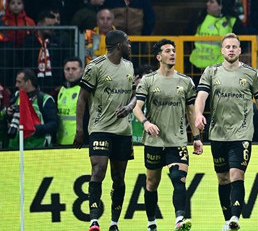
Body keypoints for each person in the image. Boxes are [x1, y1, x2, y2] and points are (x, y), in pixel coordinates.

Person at [194, 33, 258, 231]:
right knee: (222, 178)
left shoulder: (251, 74)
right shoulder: (211, 72)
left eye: (234, 47)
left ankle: (235, 217)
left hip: (242, 134)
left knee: (236, 174)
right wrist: (198, 114)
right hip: (218, 133)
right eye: (227, 47)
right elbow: (201, 96)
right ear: (222, 50)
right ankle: (228, 221)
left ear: (240, 50)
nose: (231, 50)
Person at [133, 39, 201, 231]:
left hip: (177, 141)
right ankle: (151, 223)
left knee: (179, 179)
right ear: (158, 57)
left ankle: (180, 220)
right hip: (154, 142)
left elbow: (191, 111)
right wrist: (146, 123)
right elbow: (136, 108)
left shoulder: (186, 81)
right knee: (151, 183)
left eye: (173, 50)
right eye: (167, 51)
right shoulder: (148, 81)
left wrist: (197, 138)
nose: (172, 54)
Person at [73, 30, 136, 231]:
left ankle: (114, 223)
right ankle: (94, 221)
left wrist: (129, 107)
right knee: (98, 169)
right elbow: (82, 98)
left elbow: (135, 94)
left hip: (123, 130)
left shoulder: (129, 66)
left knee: (118, 178)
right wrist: (80, 129)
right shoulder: (95, 66)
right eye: (128, 42)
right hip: (100, 127)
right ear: (119, 45)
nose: (130, 45)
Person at [5, 68, 58, 148]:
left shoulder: (45, 99)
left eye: (19, 82)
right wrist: (8, 114)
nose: (16, 85)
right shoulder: (17, 96)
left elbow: (53, 125)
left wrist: (34, 129)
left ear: (28, 82)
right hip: (15, 147)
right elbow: (7, 120)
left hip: (37, 147)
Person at [188, 0, 237, 69]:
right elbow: (188, 36)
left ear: (220, 6)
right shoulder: (200, 18)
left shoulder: (232, 21)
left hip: (220, 67)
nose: (207, 4)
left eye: (211, 2)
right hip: (196, 65)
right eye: (208, 1)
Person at [56, 57, 83, 146]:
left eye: (74, 69)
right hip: (60, 141)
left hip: (79, 142)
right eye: (67, 69)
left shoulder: (85, 91)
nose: (70, 72)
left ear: (81, 71)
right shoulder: (60, 90)